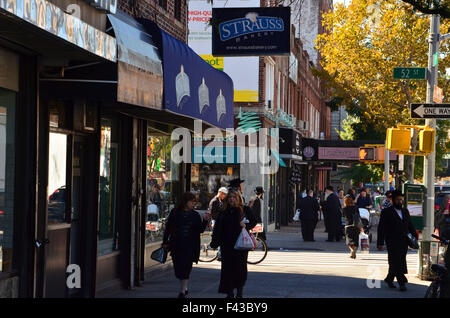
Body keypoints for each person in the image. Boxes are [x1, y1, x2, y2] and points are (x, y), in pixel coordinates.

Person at [162, 192, 210, 298]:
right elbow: (168, 228)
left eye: (194, 201)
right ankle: (184, 286)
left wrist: (205, 221)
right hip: (176, 244)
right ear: (185, 201)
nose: (193, 203)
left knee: (186, 268)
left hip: (190, 245)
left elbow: (200, 230)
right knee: (178, 269)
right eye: (192, 201)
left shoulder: (195, 215)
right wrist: (165, 242)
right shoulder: (175, 213)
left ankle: (183, 290)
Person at [210, 190, 257, 298]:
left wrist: (246, 226)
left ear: (238, 198)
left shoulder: (244, 209)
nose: (231, 199)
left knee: (240, 269)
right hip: (226, 245)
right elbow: (218, 228)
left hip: (240, 245)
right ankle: (229, 292)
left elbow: (254, 221)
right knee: (227, 269)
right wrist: (214, 242)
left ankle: (239, 292)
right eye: (230, 197)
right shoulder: (224, 211)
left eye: (234, 197)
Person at [377, 190, 418, 292]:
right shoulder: (386, 212)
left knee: (398, 261)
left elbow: (410, 225)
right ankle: (402, 282)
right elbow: (381, 228)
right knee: (396, 261)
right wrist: (380, 242)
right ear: (393, 200)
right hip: (392, 241)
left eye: (401, 200)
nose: (400, 202)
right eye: (398, 200)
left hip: (404, 241)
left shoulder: (405, 211)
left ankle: (389, 278)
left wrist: (415, 237)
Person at [342, 195, 363, 259]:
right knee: (355, 240)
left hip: (348, 226)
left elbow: (343, 218)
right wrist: (361, 227)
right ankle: (353, 251)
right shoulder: (356, 207)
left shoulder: (344, 208)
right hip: (356, 226)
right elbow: (359, 217)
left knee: (349, 241)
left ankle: (352, 250)